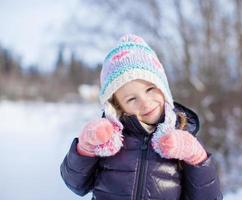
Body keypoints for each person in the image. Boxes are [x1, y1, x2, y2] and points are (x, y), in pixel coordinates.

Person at [60, 34, 223, 200]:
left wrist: (196, 157)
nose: (145, 103)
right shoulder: (107, 138)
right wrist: (85, 148)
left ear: (163, 87)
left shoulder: (181, 134)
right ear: (116, 105)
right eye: (131, 99)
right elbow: (76, 185)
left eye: (150, 89)